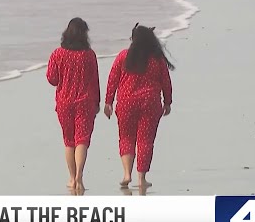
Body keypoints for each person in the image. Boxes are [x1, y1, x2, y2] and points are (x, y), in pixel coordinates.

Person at [103, 23, 173, 188]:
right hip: (150, 103)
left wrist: (108, 101)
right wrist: (168, 102)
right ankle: (141, 179)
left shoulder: (123, 56)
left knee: (126, 137)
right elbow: (166, 82)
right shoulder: (157, 60)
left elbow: (112, 79)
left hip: (126, 102)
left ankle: (127, 173)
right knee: (145, 141)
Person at [47, 17, 101, 192]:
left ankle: (71, 178)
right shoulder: (89, 55)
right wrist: (98, 102)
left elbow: (52, 79)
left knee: (69, 141)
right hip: (85, 102)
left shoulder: (57, 54)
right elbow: (95, 80)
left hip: (64, 102)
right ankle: (80, 177)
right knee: (82, 140)